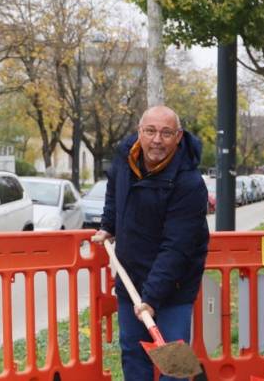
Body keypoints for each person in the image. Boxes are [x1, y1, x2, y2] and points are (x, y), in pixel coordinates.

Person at [92, 106, 210, 381]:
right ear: (139, 132)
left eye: (166, 133)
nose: (157, 140)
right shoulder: (125, 157)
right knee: (133, 355)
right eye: (150, 131)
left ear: (178, 137)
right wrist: (108, 225)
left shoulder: (189, 184)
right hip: (130, 278)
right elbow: (114, 190)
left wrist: (151, 298)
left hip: (174, 286)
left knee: (175, 366)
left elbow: (177, 248)